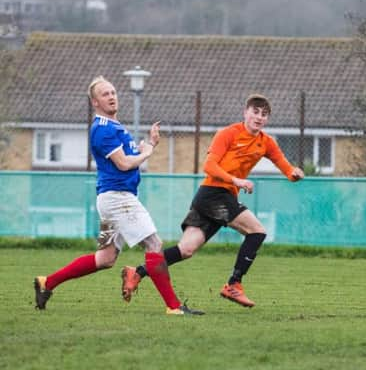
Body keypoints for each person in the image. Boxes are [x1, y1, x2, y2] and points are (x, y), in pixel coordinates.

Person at [33, 76, 204, 316]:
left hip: (113, 199)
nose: (112, 96)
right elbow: (124, 164)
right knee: (154, 244)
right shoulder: (103, 129)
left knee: (105, 258)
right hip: (119, 199)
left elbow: (131, 158)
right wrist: (147, 153)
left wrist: (150, 146)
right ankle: (174, 307)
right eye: (105, 94)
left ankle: (46, 282)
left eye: (113, 92)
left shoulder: (115, 126)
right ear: (95, 102)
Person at [120, 94, 304, 307]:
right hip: (214, 193)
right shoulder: (228, 133)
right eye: (255, 112)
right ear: (245, 112)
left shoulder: (266, 142)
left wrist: (293, 173)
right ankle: (233, 284)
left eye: (264, 114)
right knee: (257, 232)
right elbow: (209, 166)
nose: (259, 117)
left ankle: (137, 272)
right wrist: (236, 180)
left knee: (185, 250)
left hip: (215, 198)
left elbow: (283, 164)